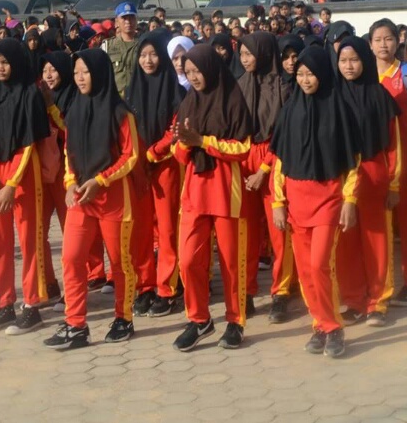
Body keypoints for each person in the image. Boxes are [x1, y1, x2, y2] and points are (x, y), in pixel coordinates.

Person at [270, 43, 362, 358]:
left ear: (323, 73)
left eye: (311, 74)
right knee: (306, 271)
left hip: (328, 199)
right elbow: (279, 162)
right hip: (296, 202)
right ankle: (320, 325)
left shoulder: (340, 109)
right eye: (300, 74)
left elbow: (353, 161)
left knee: (320, 264)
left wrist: (350, 199)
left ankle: (334, 327)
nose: (305, 80)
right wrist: (278, 203)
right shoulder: (289, 111)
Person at [47, 48, 140, 352]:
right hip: (80, 198)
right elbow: (69, 153)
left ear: (99, 73)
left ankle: (124, 318)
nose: (80, 78)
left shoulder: (120, 112)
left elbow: (130, 156)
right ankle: (75, 324)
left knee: (120, 262)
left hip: (113, 198)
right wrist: (70, 182)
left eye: (85, 72)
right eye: (76, 73)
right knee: (72, 257)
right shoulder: (74, 110)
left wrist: (100, 180)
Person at [172, 43, 258, 352]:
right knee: (187, 259)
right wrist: (185, 144)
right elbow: (178, 153)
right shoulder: (188, 103)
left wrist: (203, 141)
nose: (193, 77)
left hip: (225, 192)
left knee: (231, 262)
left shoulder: (233, 100)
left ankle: (236, 321)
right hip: (195, 191)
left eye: (197, 71)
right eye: (188, 72)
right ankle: (199, 319)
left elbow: (242, 148)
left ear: (211, 69)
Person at [0, 37, 58, 336]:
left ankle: (32, 305)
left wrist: (11, 184)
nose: (0, 68)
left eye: (6, 62)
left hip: (23, 176)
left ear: (17, 63)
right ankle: (4, 304)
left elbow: (30, 142)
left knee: (30, 241)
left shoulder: (29, 94)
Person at [334, 35, 403, 326]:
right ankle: (353, 300)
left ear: (365, 60)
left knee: (376, 240)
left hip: (374, 175)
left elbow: (394, 145)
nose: (348, 66)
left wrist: (394, 183)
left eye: (354, 60)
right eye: (343, 60)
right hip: (341, 177)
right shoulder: (331, 96)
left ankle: (378, 301)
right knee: (346, 242)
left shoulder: (379, 95)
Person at [235, 31, 299, 323]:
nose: (245, 59)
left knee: (279, 230)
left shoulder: (284, 88)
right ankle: (246, 290)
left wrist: (264, 169)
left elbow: (285, 135)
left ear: (263, 54)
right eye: (242, 54)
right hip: (243, 159)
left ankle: (281, 291)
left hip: (274, 161)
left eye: (250, 54)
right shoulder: (239, 85)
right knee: (246, 231)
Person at [125, 32, 184, 319]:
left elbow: (175, 130)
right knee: (142, 229)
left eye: (153, 55)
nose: (148, 60)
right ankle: (145, 286)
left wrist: (152, 153)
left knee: (168, 228)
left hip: (165, 167)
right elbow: (126, 129)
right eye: (143, 55)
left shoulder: (176, 91)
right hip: (138, 168)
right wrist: (137, 158)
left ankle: (167, 289)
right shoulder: (131, 91)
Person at [369, 19, 407, 304]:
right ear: (370, 44)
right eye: (378, 39)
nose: (383, 44)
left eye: (389, 38)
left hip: (406, 158)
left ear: (397, 41)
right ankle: (379, 285)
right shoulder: (364, 75)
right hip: (376, 161)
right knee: (379, 227)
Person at [102, 3, 140, 93]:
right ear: (116, 22)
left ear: (136, 20)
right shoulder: (107, 46)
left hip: (138, 95)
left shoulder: (144, 45)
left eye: (131, 17)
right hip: (115, 97)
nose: (128, 21)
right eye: (124, 18)